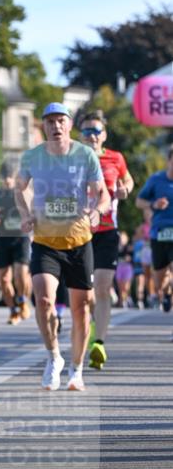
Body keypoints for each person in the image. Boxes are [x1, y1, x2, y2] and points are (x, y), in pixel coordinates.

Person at [15, 103, 110, 391]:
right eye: (50, 122)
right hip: (46, 242)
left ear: (69, 125)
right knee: (43, 300)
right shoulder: (32, 156)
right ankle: (53, 356)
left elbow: (102, 193)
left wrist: (97, 211)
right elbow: (19, 188)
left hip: (80, 242)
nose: (55, 126)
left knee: (80, 310)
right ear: (43, 126)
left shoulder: (85, 155)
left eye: (60, 121)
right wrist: (26, 214)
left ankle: (76, 369)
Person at [77, 111, 134, 369]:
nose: (91, 136)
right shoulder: (72, 159)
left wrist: (125, 190)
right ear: (80, 135)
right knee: (85, 294)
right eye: (87, 131)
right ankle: (89, 326)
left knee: (102, 288)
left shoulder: (115, 158)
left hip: (107, 231)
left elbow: (128, 180)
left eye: (96, 131)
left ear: (104, 135)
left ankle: (98, 343)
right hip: (78, 231)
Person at [0, 160, 32, 325]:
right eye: (4, 177)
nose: (7, 180)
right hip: (2, 239)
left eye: (10, 176)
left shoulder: (23, 192)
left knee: (20, 274)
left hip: (21, 238)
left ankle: (22, 300)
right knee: (3, 279)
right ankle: (13, 311)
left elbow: (33, 212)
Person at [136, 144, 173, 329]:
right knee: (159, 278)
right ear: (169, 161)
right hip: (159, 234)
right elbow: (139, 201)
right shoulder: (156, 180)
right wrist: (154, 204)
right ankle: (166, 293)